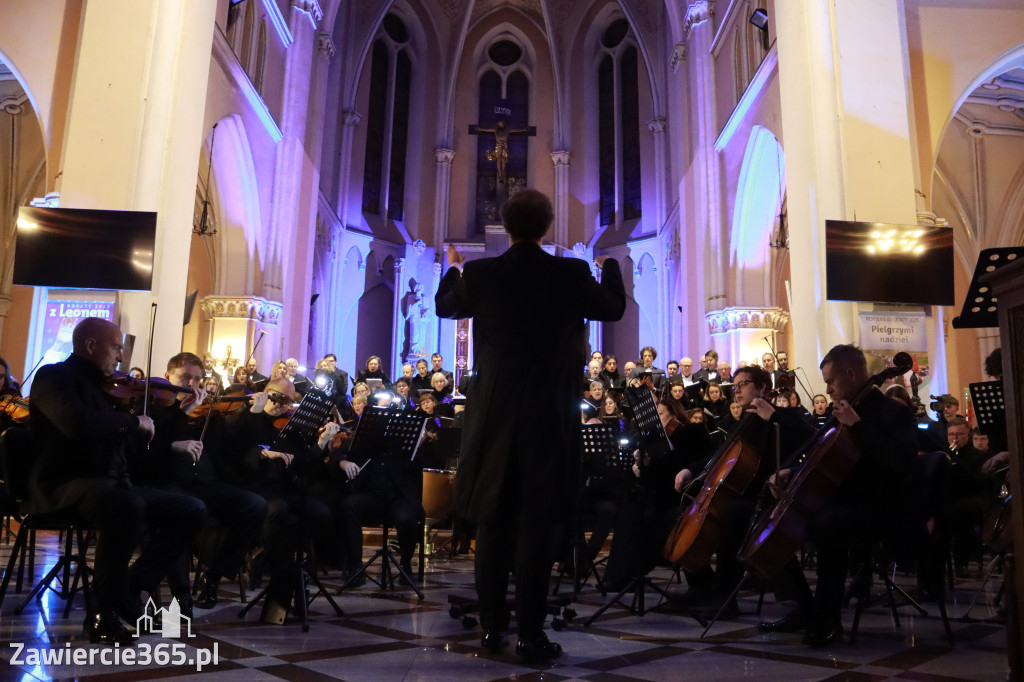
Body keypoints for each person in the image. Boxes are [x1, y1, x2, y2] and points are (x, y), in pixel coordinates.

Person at [435, 188, 625, 661]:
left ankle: (492, 628)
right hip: (548, 413)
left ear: (507, 223)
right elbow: (613, 307)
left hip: (494, 416)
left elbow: (444, 306)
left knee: (493, 523)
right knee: (537, 525)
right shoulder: (570, 272)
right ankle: (531, 634)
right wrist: (611, 266)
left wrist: (454, 265)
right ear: (547, 226)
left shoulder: (482, 273)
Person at [29, 317, 207, 645]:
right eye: (115, 347)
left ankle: (127, 590)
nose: (121, 357)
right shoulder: (54, 377)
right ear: (90, 345)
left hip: (113, 484)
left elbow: (130, 442)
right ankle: (102, 612)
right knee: (124, 504)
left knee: (191, 508)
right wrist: (130, 421)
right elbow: (77, 424)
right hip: (65, 483)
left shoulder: (110, 389)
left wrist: (161, 422)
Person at [761, 345, 917, 646]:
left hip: (882, 505)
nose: (827, 388)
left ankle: (828, 620)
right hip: (844, 500)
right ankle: (805, 606)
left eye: (831, 380)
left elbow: (901, 463)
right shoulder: (842, 410)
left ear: (851, 374)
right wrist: (793, 470)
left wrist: (857, 427)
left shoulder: (892, 413)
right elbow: (820, 454)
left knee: (825, 524)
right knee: (776, 516)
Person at [143, 352, 268, 610]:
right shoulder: (154, 409)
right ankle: (181, 593)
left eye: (198, 379)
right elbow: (146, 451)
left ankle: (213, 578)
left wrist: (253, 414)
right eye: (185, 377)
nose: (193, 385)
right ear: (168, 377)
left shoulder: (210, 414)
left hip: (207, 486)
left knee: (255, 505)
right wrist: (175, 436)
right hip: (170, 485)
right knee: (182, 512)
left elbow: (236, 448)